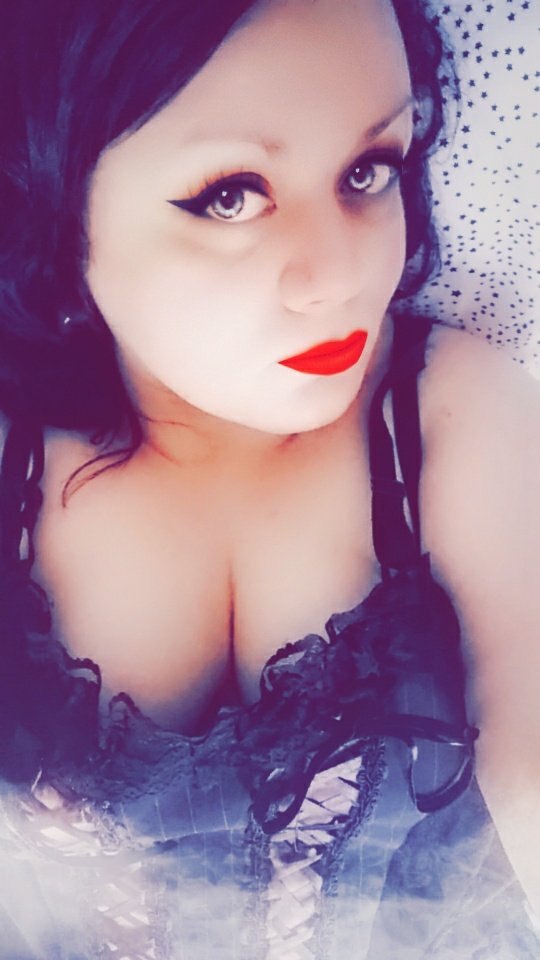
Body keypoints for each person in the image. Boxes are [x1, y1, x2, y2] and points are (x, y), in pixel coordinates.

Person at [0, 0, 538, 957]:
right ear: (59, 206)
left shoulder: (451, 411)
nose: (339, 275)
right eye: (230, 196)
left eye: (369, 170)